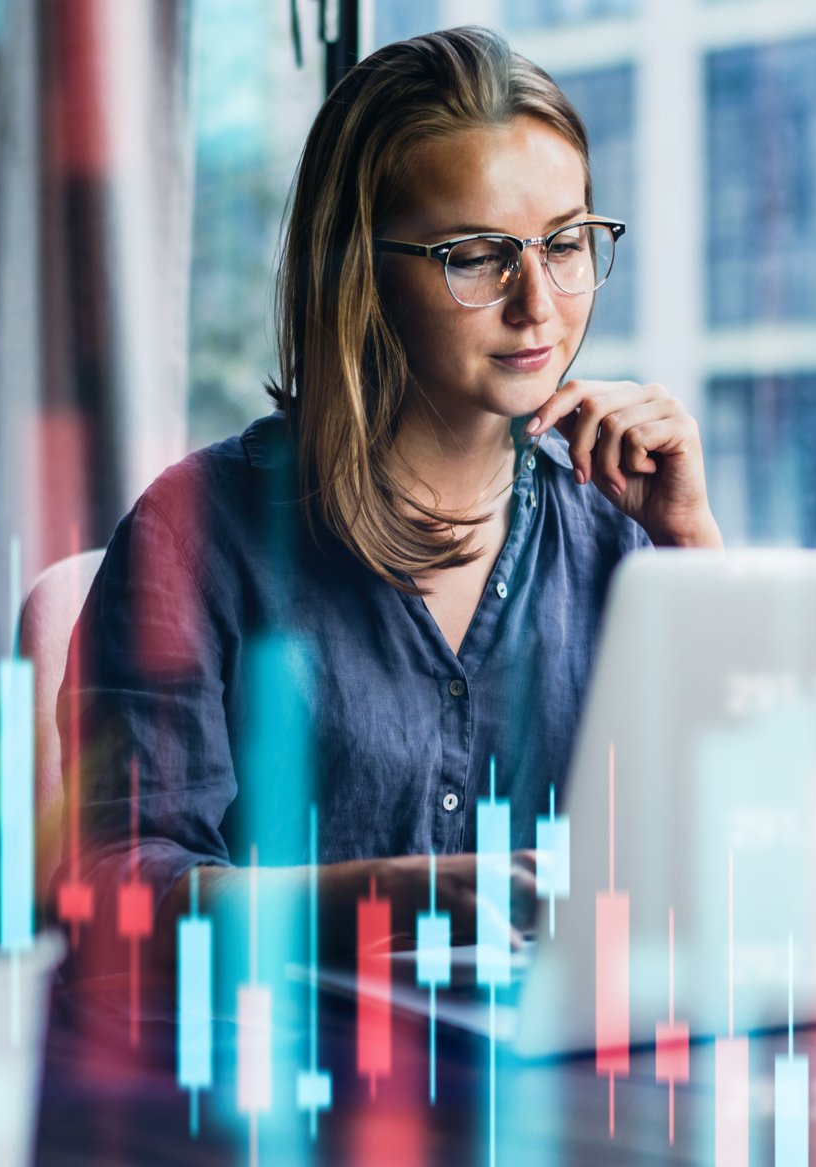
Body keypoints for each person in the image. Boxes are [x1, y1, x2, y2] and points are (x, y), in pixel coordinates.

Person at [62, 26, 720, 965]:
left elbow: (748, 850)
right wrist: (379, 899)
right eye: (477, 255)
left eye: (566, 243)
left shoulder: (621, 528)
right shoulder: (196, 531)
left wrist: (692, 546)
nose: (539, 301)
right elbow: (113, 890)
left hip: (555, 1084)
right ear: (359, 271)